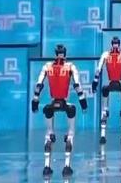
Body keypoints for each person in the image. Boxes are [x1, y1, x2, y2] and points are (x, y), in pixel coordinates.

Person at [31, 45, 88, 177]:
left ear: (56, 53)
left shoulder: (47, 66)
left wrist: (35, 102)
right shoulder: (70, 66)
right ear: (64, 53)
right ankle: (67, 166)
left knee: (49, 133)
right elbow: (78, 86)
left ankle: (46, 166)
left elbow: (38, 86)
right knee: (71, 133)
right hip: (65, 103)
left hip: (52, 103)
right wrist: (83, 104)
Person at [92, 36, 121, 145]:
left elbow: (98, 70)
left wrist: (94, 83)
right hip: (117, 84)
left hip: (112, 84)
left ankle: (106, 133)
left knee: (107, 109)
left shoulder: (107, 55)